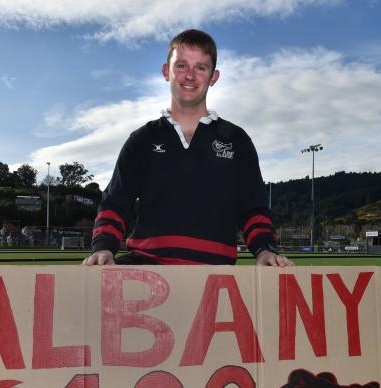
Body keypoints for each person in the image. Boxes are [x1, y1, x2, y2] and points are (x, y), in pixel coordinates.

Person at [84, 29, 292, 267]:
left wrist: (265, 250)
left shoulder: (237, 140)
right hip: (145, 269)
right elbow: (115, 205)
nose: (190, 76)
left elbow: (253, 208)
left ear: (213, 77)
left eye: (200, 68)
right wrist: (103, 249)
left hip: (214, 276)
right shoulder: (141, 140)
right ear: (166, 72)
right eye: (181, 66)